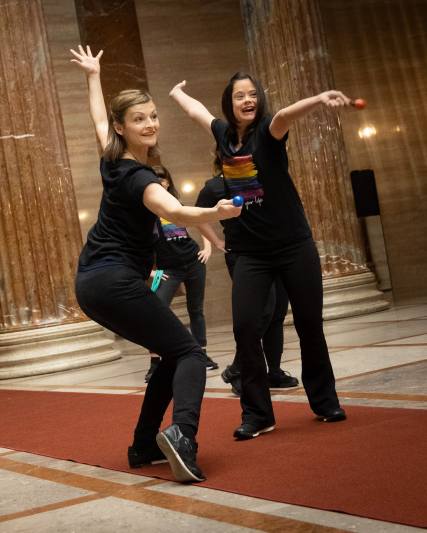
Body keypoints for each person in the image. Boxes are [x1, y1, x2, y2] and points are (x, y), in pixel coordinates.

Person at [70, 46, 241, 482]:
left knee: (169, 355)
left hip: (92, 282)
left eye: (152, 115)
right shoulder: (140, 177)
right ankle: (182, 434)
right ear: (122, 128)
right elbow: (176, 212)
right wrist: (215, 214)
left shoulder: (112, 159)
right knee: (188, 353)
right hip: (113, 280)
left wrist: (94, 76)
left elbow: (96, 118)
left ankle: (145, 445)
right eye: (139, 119)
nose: (150, 124)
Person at [170, 72, 347, 440]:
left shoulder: (268, 131)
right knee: (245, 329)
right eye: (239, 96)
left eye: (253, 94)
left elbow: (285, 115)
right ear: (229, 104)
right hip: (251, 253)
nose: (248, 100)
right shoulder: (223, 135)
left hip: (293, 245)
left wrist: (317, 99)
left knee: (309, 324)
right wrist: (176, 94)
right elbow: (197, 113)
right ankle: (257, 414)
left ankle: (325, 400)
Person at [195, 153, 299, 395]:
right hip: (244, 255)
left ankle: (272, 371)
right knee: (263, 311)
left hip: (276, 249)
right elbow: (199, 215)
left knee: (277, 313)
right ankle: (240, 369)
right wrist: (216, 241)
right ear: (220, 156)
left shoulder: (258, 180)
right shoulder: (214, 186)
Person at [145, 165, 218, 384]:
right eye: (154, 178)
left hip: (194, 262)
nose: (159, 182)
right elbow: (135, 246)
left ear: (168, 182)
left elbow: (199, 221)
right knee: (154, 313)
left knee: (196, 310)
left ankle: (201, 354)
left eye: (163, 178)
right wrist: (149, 272)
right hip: (167, 270)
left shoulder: (177, 205)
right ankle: (155, 364)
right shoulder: (146, 212)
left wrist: (208, 247)